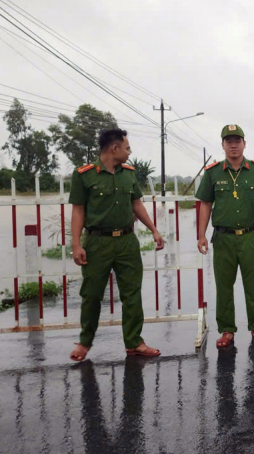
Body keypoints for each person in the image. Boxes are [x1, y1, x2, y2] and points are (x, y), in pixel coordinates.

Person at [68, 129, 165, 362]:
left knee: (132, 294)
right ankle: (84, 342)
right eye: (127, 148)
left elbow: (137, 205)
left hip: (126, 242)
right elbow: (78, 211)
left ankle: (134, 343)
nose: (129, 152)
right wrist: (76, 244)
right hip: (97, 243)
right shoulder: (84, 175)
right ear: (114, 148)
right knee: (91, 295)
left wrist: (153, 229)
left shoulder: (128, 174)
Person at [196, 124, 254, 348]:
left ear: (244, 144)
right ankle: (227, 330)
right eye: (228, 141)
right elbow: (205, 205)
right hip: (223, 238)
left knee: (253, 285)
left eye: (237, 140)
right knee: (224, 285)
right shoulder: (212, 173)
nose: (233, 145)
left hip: (250, 236)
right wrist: (201, 235)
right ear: (222, 145)